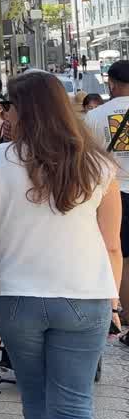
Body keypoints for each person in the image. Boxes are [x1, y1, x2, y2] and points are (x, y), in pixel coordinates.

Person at [0, 71, 122, 419]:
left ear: (25, 111)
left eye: (8, 106)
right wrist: (114, 304)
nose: (4, 114)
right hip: (86, 296)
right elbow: (111, 244)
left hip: (15, 296)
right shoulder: (98, 165)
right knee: (74, 407)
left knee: (34, 398)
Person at [82, 59, 129, 333]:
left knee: (116, 251)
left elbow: (87, 160)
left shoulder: (95, 116)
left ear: (110, 83)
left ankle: (118, 310)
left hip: (112, 193)